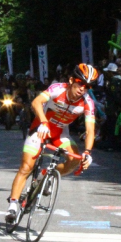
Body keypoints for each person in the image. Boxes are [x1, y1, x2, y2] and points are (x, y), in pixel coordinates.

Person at [5, 64, 98, 223]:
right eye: (80, 83)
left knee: (74, 160)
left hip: (60, 133)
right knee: (26, 167)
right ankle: (13, 205)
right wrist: (43, 122)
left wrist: (88, 152)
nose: (83, 88)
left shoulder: (87, 102)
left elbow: (90, 130)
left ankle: (45, 176)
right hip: (40, 129)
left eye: (87, 86)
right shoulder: (58, 88)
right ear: (71, 80)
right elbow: (36, 102)